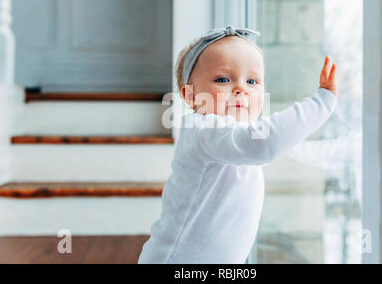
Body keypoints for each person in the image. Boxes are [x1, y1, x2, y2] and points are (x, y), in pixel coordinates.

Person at [138, 26, 338, 263]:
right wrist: (321, 104)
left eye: (252, 81)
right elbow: (265, 144)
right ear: (190, 95)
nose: (240, 89)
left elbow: (290, 145)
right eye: (223, 79)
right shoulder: (203, 129)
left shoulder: (236, 137)